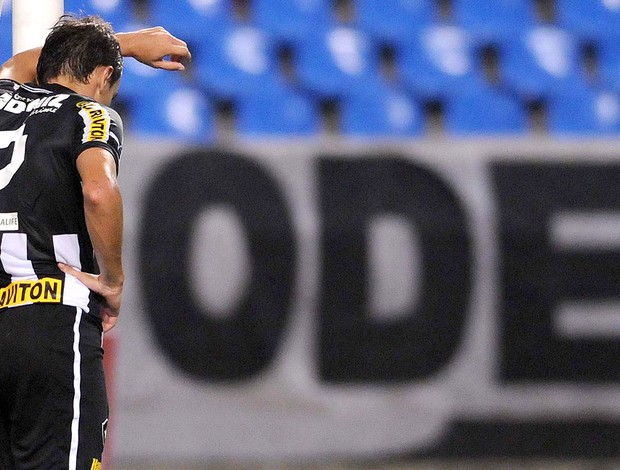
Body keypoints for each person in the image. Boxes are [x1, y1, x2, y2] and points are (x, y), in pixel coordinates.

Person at [0, 15, 190, 469]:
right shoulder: (92, 114)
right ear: (105, 75)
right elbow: (99, 191)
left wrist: (121, 43)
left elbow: (17, 65)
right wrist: (113, 279)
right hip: (51, 321)